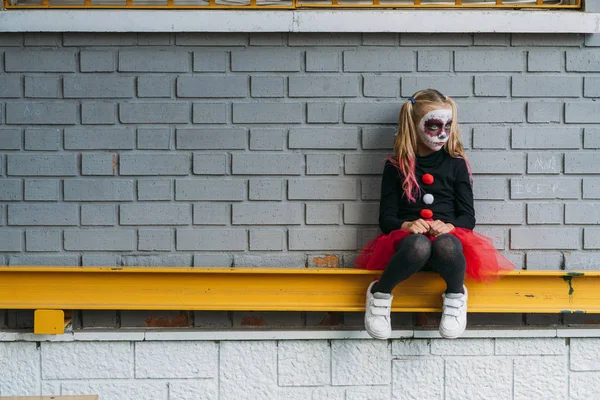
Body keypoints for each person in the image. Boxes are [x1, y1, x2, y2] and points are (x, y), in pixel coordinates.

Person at [355, 89, 515, 340]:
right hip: (408, 247)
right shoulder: (396, 165)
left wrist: (449, 226)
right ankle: (380, 294)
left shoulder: (456, 163)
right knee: (418, 245)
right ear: (414, 125)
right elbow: (386, 219)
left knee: (447, 245)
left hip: (447, 246)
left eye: (448, 125)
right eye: (433, 125)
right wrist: (406, 225)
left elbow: (467, 218)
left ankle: (455, 297)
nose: (442, 133)